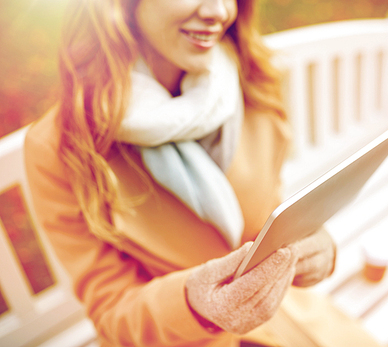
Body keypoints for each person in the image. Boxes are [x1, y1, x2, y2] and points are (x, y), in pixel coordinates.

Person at [24, 0, 336, 346]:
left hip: (286, 314)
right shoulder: (60, 148)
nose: (220, 12)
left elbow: (268, 205)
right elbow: (112, 310)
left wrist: (313, 240)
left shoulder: (247, 73)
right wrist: (193, 305)